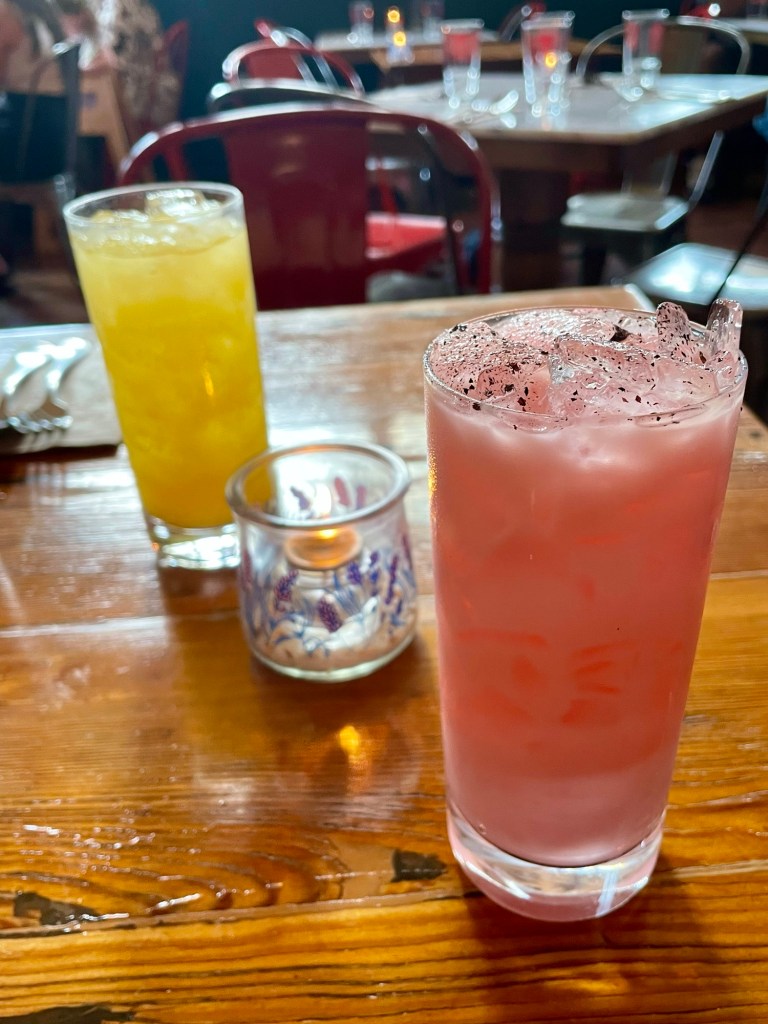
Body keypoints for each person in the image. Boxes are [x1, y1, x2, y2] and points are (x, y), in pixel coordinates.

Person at [59, 0, 179, 132]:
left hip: (143, 97)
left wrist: (66, 71)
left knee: (68, 110)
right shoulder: (103, 5)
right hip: (139, 87)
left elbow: (109, 62)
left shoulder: (119, 6)